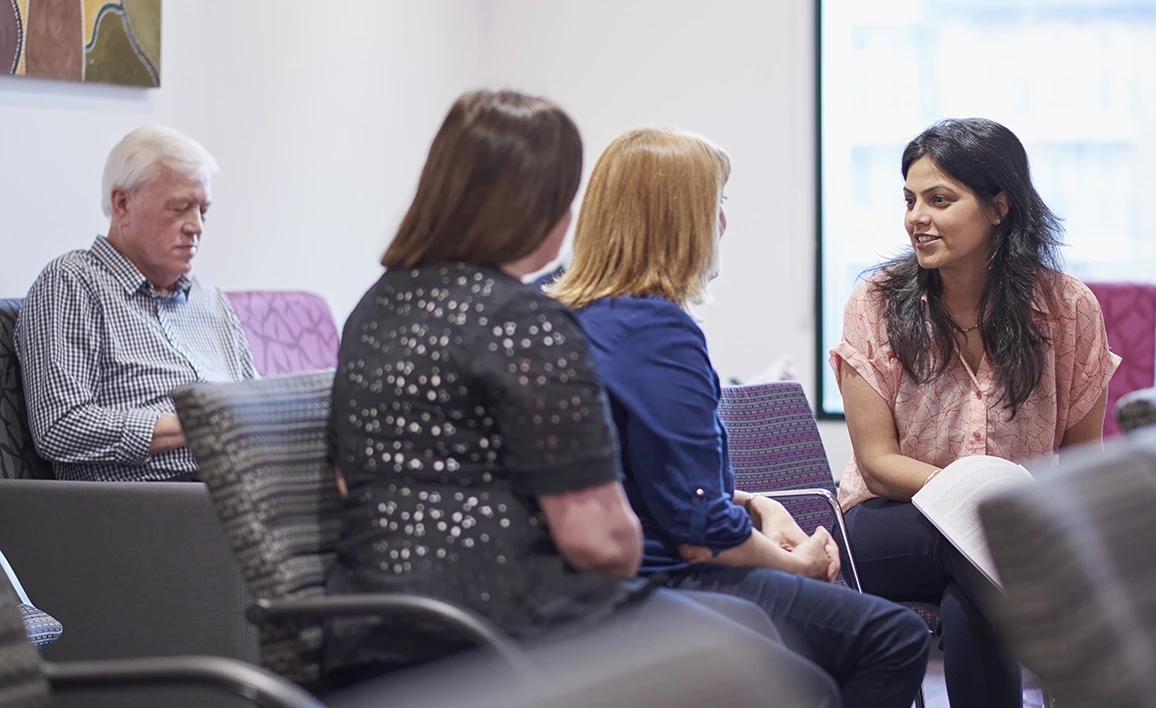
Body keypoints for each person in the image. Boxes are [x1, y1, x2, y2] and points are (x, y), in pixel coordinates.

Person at [322, 90, 842, 707]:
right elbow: (600, 544)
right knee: (786, 677)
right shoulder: (527, 321)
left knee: (745, 629)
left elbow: (348, 482)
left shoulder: (373, 308)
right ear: (541, 209)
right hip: (497, 632)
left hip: (364, 626)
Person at [550, 126, 929, 708]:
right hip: (664, 576)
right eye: (717, 204)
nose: (723, 222)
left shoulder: (568, 318)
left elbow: (651, 479)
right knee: (895, 637)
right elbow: (703, 537)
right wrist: (794, 565)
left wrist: (758, 503)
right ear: (683, 219)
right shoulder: (659, 332)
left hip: (593, 575)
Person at [831, 118, 1120, 708]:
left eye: (940, 200)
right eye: (910, 200)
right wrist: (979, 499)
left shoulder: (1066, 309)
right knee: (981, 544)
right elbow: (880, 465)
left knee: (976, 601)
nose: (916, 217)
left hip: (1013, 540)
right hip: (890, 524)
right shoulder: (877, 301)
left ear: (999, 206)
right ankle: (1080, 669)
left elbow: (1078, 464)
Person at [15, 125, 257, 482]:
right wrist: (196, 424)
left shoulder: (211, 300)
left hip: (242, 485)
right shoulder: (72, 282)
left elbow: (253, 405)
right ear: (122, 203)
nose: (196, 226)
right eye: (179, 208)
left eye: (203, 211)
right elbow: (59, 425)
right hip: (149, 503)